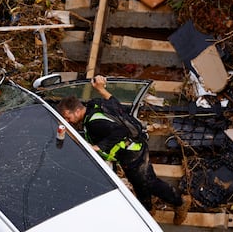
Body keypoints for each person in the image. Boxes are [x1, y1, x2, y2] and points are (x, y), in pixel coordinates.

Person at [57, 75, 191, 225]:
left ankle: (180, 202)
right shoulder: (95, 105)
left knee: (148, 182)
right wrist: (101, 90)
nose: (67, 122)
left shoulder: (94, 123)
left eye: (67, 117)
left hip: (132, 153)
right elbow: (116, 105)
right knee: (138, 182)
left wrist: (98, 147)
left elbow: (121, 131)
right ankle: (147, 208)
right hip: (133, 148)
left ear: (75, 111)